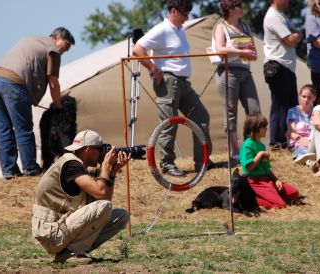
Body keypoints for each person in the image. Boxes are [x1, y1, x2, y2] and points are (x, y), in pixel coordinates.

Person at [132, 0, 213, 176]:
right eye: (185, 14)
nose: (186, 17)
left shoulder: (179, 30)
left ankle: (203, 161)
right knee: (169, 124)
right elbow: (138, 50)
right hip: (168, 82)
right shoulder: (162, 29)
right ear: (174, 11)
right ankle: (167, 164)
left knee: (201, 118)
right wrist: (153, 69)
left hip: (183, 83)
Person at [32, 129, 131, 264]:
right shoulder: (71, 165)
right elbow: (101, 193)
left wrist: (112, 172)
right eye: (100, 149)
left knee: (121, 216)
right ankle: (70, 253)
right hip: (51, 234)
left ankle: (71, 252)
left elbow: (103, 199)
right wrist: (105, 167)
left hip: (58, 229)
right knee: (104, 207)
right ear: (88, 149)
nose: (102, 153)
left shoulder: (77, 167)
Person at [0, 27, 75, 179]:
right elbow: (54, 83)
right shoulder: (53, 50)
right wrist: (58, 107)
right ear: (58, 38)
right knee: (24, 129)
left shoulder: (31, 39)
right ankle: (31, 169)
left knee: (3, 129)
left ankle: (9, 171)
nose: (66, 51)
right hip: (15, 84)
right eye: (67, 46)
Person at [213, 0, 261, 164]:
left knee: (254, 111)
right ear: (231, 9)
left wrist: (249, 53)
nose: (242, 8)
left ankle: (253, 148)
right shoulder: (221, 26)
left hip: (245, 72)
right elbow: (220, 49)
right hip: (227, 71)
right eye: (239, 5)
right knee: (230, 112)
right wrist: (241, 51)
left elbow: (253, 53)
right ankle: (235, 151)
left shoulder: (245, 26)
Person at [263, 0, 303, 150]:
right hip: (277, 65)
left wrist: (295, 35)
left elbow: (295, 35)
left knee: (291, 105)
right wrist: (296, 35)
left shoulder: (282, 16)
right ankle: (277, 142)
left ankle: (288, 139)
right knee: (280, 106)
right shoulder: (273, 16)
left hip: (287, 67)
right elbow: (291, 40)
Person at [240, 113, 300, 209]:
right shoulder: (247, 145)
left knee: (294, 193)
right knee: (280, 205)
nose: (266, 129)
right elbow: (249, 168)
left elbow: (267, 169)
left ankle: (272, 194)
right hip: (255, 182)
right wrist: (260, 155)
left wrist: (276, 180)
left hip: (267, 180)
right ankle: (254, 198)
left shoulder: (261, 145)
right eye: (263, 127)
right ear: (254, 129)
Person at [286, 84, 317, 167]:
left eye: (309, 97)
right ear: (299, 96)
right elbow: (291, 132)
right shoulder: (292, 111)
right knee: (302, 152)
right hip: (299, 142)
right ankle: (309, 163)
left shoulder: (316, 112)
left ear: (314, 98)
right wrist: (303, 140)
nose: (306, 100)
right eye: (303, 96)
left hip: (313, 142)